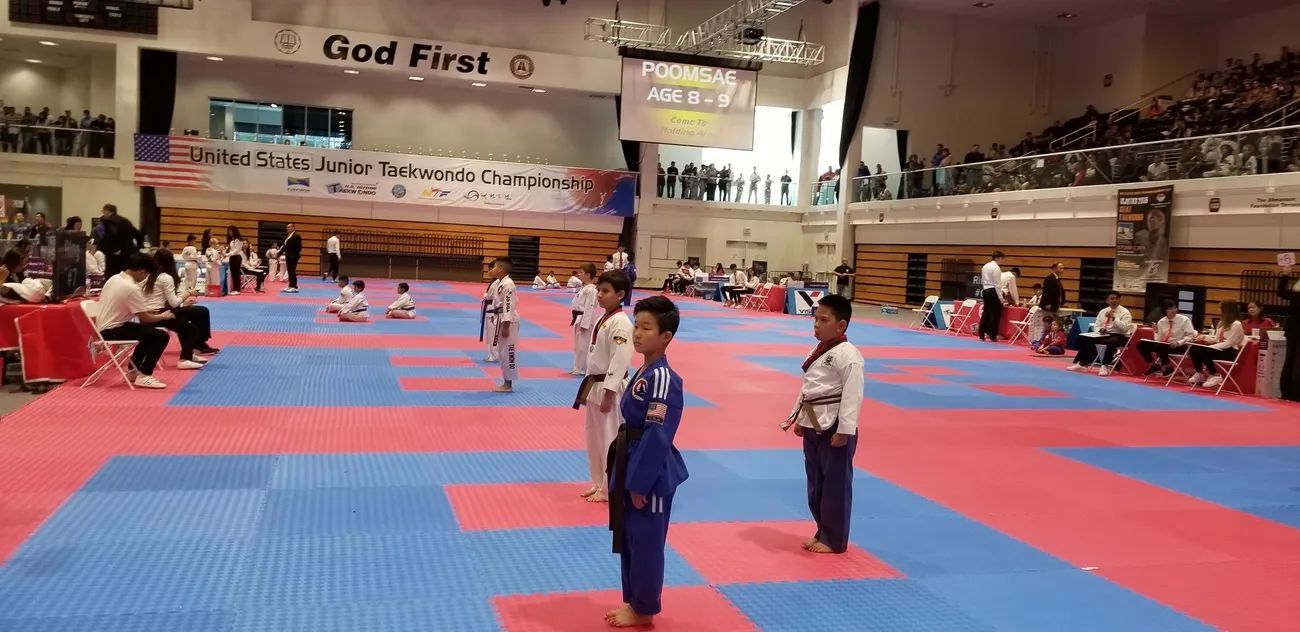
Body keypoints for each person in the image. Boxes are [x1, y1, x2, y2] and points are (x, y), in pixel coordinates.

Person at [603, 295, 688, 629]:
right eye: (636, 326)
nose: (637, 334)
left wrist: (639, 482)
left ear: (666, 336)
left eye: (646, 328)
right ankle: (634, 600)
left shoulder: (664, 378)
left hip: (650, 470)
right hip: (631, 457)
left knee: (648, 542)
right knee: (632, 538)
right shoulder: (644, 369)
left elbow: (658, 435)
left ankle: (645, 609)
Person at [782, 294, 863, 555]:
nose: (816, 324)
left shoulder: (849, 354)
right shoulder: (817, 350)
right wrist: (798, 419)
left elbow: (853, 395)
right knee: (816, 482)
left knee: (835, 485)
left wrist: (845, 430)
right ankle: (822, 530)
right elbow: (808, 389)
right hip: (813, 422)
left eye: (824, 320)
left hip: (835, 426)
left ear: (841, 326)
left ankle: (835, 539)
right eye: (816, 319)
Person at [576, 269, 632, 505]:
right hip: (594, 384)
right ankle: (598, 482)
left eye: (605, 291)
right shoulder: (606, 317)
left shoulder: (620, 322)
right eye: (599, 290)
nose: (599, 295)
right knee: (594, 437)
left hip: (610, 387)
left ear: (620, 294)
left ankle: (611, 487)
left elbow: (620, 360)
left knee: (610, 439)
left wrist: (610, 392)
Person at [95, 253, 174, 389]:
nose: (146, 278)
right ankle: (145, 374)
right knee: (160, 336)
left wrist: (148, 312)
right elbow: (145, 319)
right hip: (113, 330)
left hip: (105, 326)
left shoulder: (114, 278)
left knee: (149, 334)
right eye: (147, 274)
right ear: (142, 271)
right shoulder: (132, 287)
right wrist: (163, 316)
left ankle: (134, 371)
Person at [141, 249, 218, 369]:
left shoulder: (149, 275)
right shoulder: (165, 277)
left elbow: (167, 300)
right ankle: (185, 358)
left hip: (152, 311)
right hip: (160, 313)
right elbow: (174, 303)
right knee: (190, 328)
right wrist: (188, 293)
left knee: (199, 312)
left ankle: (195, 348)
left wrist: (182, 302)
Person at [1067, 292, 1133, 375]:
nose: (1114, 300)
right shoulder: (1103, 311)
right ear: (1107, 301)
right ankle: (1083, 363)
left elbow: (1125, 328)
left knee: (1111, 341)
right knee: (1083, 338)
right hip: (1104, 334)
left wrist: (1114, 318)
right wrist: (1100, 330)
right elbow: (1096, 325)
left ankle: (1105, 366)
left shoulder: (1125, 312)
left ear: (1120, 300)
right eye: (1112, 298)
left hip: (1120, 336)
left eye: (1116, 298)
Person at [1188, 301, 1245, 389]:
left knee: (1206, 350)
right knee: (1194, 348)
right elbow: (1217, 339)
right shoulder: (1221, 323)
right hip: (1219, 348)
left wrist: (1212, 347)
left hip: (1229, 351)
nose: (1219, 310)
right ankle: (1199, 373)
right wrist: (1204, 338)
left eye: (1220, 308)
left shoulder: (1236, 324)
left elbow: (1229, 342)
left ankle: (1215, 375)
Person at [1137, 300, 1196, 377]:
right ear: (1165, 311)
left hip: (1180, 346)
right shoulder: (1161, 322)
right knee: (1142, 345)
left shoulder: (1184, 320)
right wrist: (1156, 331)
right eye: (1170, 309)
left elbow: (1191, 336)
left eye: (1175, 308)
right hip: (1165, 346)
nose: (1173, 310)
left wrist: (1179, 342)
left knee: (1161, 346)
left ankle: (1168, 367)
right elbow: (1158, 340)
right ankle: (1154, 366)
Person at [488, 257, 519, 392]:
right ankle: (506, 381)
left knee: (508, 352)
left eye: (494, 267)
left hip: (508, 321)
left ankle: (508, 384)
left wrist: (506, 325)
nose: (491, 270)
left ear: (500, 269)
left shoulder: (508, 285)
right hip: (499, 318)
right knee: (502, 352)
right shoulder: (499, 283)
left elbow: (508, 306)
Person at [97, 203, 141, 279]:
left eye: (103, 211)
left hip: (115, 256)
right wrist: (138, 248)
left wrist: (115, 250)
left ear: (107, 211)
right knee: (126, 277)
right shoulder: (126, 221)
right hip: (128, 253)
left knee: (112, 277)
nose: (103, 214)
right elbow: (138, 234)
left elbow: (110, 236)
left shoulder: (108, 221)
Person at [570, 263, 599, 376]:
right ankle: (578, 366)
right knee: (578, 344)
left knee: (584, 345)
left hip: (585, 318)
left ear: (588, 275)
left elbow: (590, 307)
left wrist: (585, 323)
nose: (579, 274)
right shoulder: (584, 288)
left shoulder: (591, 290)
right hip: (579, 317)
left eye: (581, 273)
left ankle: (583, 368)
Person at [1277, 266, 1300, 401]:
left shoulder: (1295, 292)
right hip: (1295, 330)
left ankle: (1286, 392)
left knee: (1289, 360)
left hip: (1291, 330)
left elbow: (1281, 292)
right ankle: (1296, 393)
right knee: (1297, 363)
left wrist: (1285, 275)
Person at [979, 251, 1006, 342]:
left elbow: (982, 280)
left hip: (985, 290)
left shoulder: (985, 266)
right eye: (1001, 259)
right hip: (993, 291)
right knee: (996, 314)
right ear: (997, 257)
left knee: (986, 312)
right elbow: (997, 284)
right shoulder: (996, 268)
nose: (1002, 261)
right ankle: (993, 335)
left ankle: (981, 334)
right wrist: (1001, 298)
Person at [482, 272, 501, 363]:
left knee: (493, 334)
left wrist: (486, 295)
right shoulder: (494, 282)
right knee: (490, 334)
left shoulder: (498, 282)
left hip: (493, 312)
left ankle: (494, 355)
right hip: (490, 310)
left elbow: (490, 296)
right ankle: (491, 354)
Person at [225, 226, 247, 296]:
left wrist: (227, 254)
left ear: (234, 231)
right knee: (233, 274)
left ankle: (237, 289)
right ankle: (235, 288)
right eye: (229, 231)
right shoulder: (232, 239)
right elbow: (232, 250)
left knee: (236, 274)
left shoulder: (238, 240)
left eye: (231, 231)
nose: (229, 233)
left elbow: (236, 250)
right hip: (232, 257)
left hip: (237, 257)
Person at [280, 223, 302, 293]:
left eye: (289, 227)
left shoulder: (296, 236)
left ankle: (294, 287)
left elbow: (299, 247)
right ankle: (290, 285)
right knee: (290, 271)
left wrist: (294, 255)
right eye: (287, 227)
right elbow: (284, 246)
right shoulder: (288, 236)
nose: (287, 228)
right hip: (288, 256)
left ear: (293, 228)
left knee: (292, 271)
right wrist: (278, 254)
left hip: (293, 257)